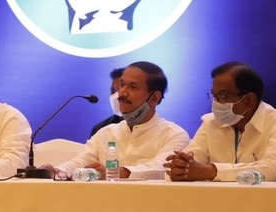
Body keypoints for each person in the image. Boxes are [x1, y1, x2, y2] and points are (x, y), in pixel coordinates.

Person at [42, 61, 189, 180]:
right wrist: (58, 171)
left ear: (154, 98)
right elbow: (82, 161)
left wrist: (117, 172)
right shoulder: (105, 132)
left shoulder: (174, 135)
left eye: (132, 87)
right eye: (122, 85)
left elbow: (162, 168)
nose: (122, 93)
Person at [164, 61, 276, 182]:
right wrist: (179, 168)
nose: (216, 103)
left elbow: (275, 170)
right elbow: (190, 163)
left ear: (249, 101)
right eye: (214, 96)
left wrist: (210, 171)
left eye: (223, 96)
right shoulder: (210, 123)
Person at [90, 67, 125, 137]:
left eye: (121, 90)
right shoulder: (100, 129)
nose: (116, 96)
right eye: (113, 91)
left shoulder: (150, 129)